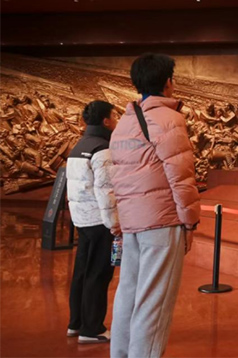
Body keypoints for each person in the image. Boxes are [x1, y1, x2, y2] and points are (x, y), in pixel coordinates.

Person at [109, 53, 200, 358]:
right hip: (162, 221)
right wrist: (190, 221)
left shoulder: (123, 122)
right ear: (168, 82)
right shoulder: (169, 119)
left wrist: (119, 221)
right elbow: (181, 176)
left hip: (132, 222)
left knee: (128, 293)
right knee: (154, 301)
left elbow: (116, 176)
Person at [66, 100, 121, 344]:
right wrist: (114, 222)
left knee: (82, 272)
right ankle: (92, 329)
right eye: (114, 116)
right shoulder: (102, 149)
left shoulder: (78, 146)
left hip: (82, 219)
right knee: (99, 273)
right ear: (106, 121)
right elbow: (106, 190)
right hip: (99, 220)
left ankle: (76, 323)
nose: (116, 120)